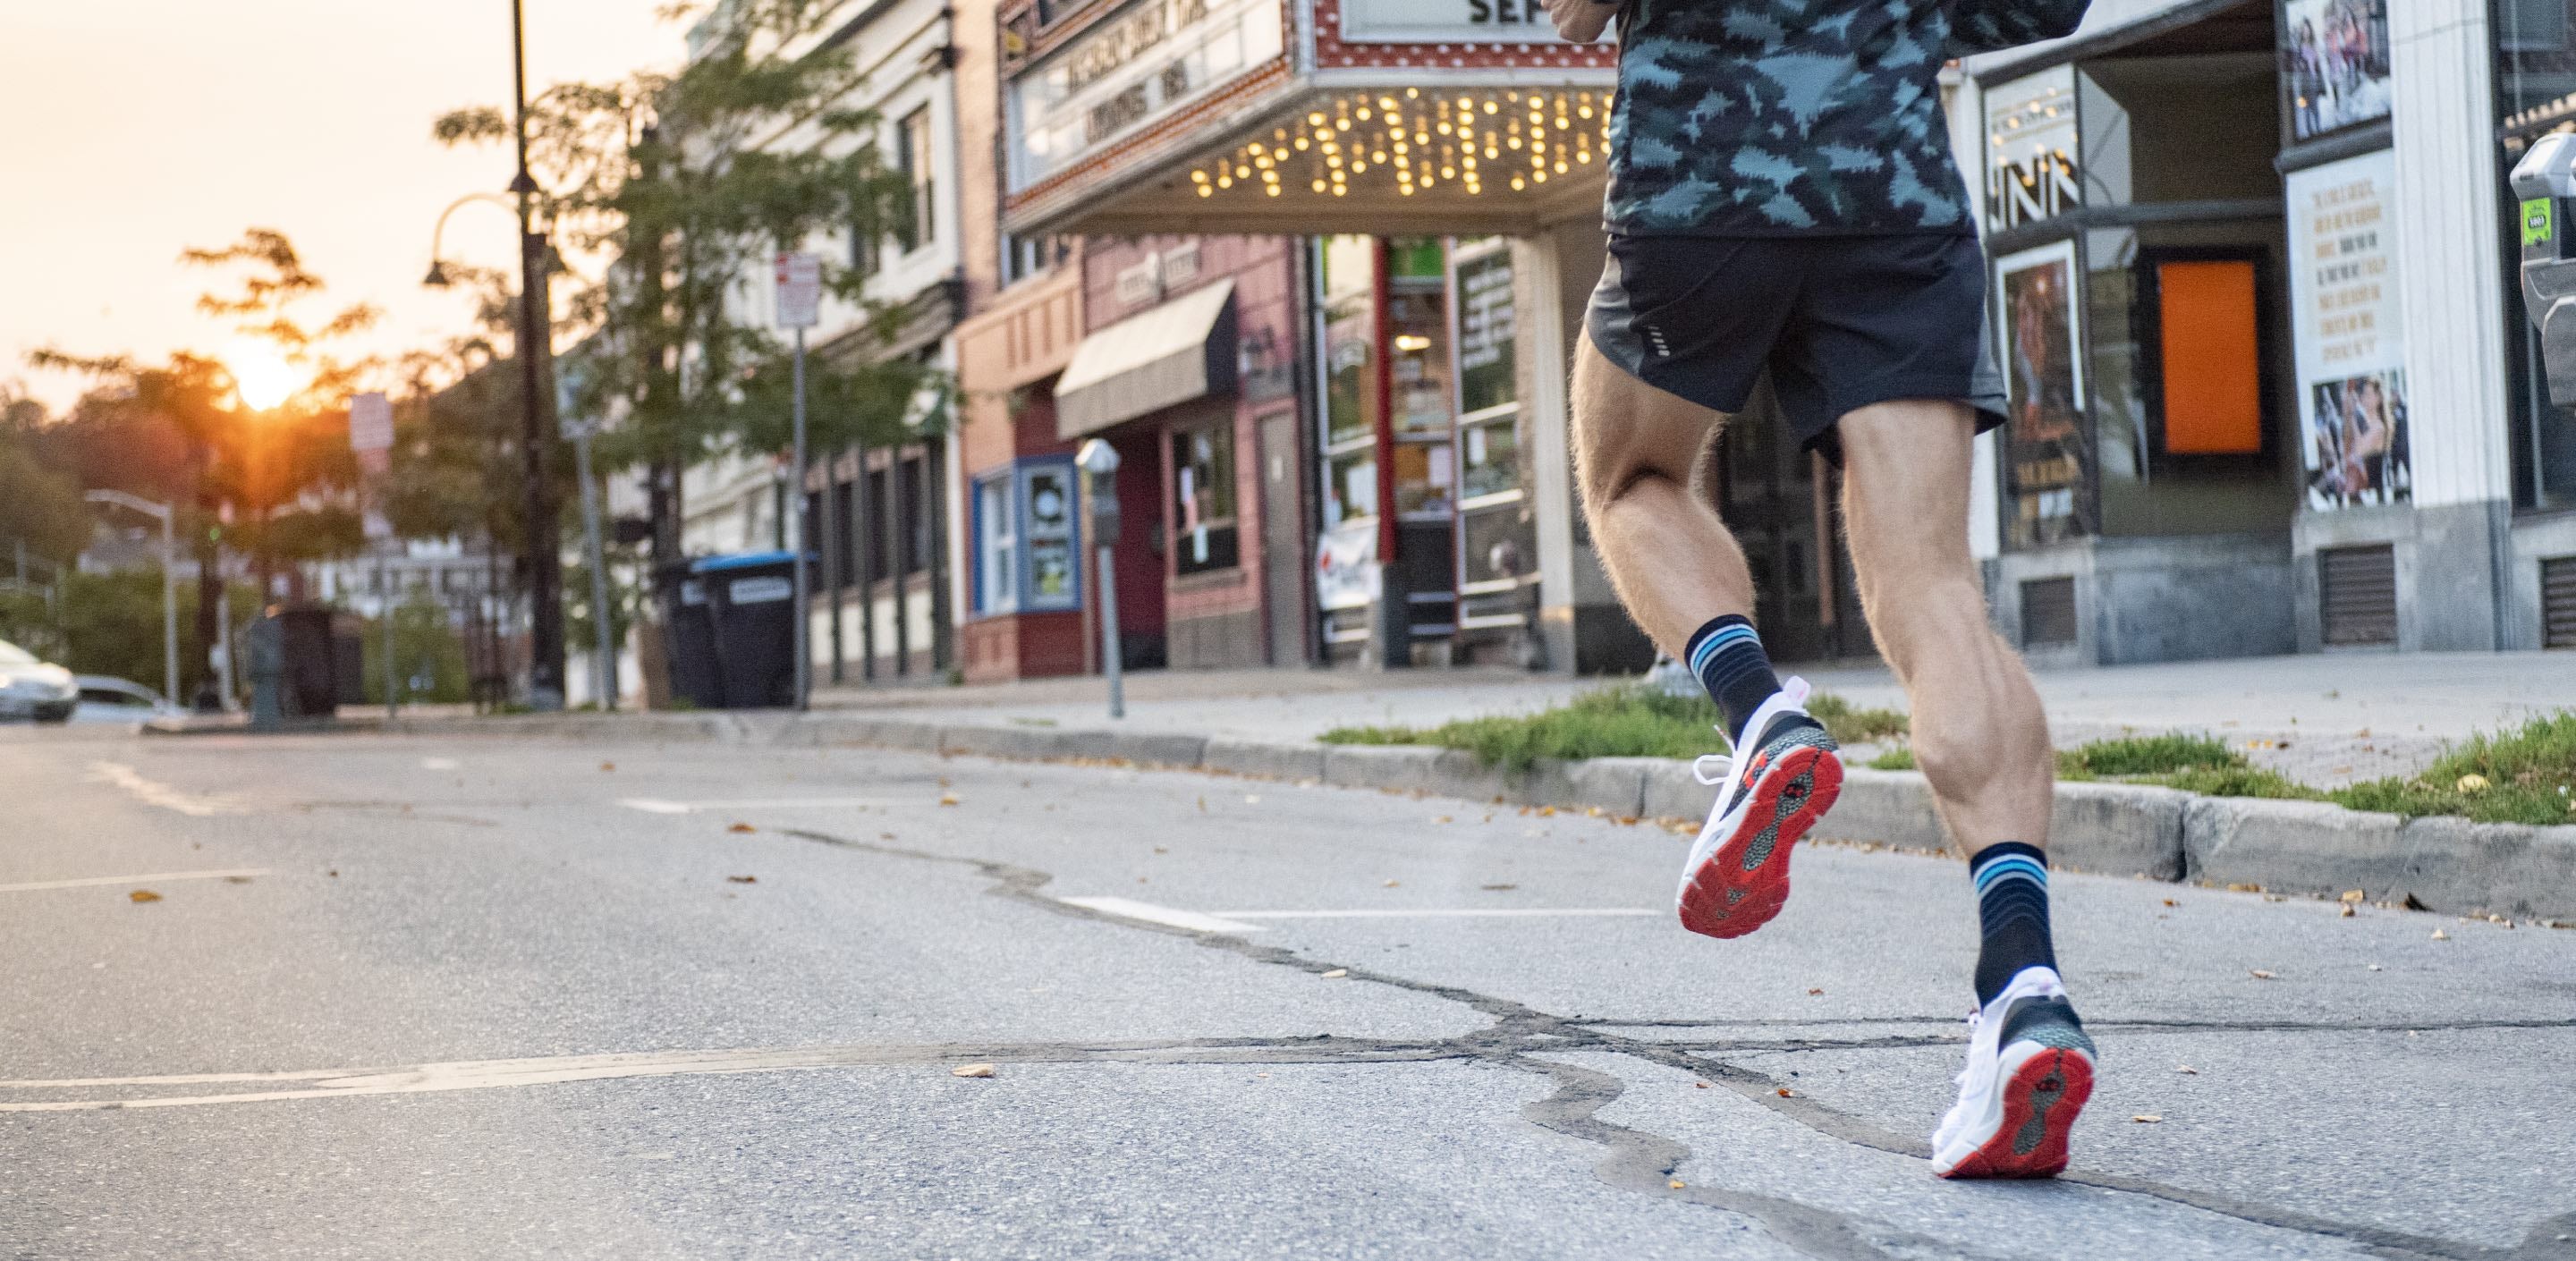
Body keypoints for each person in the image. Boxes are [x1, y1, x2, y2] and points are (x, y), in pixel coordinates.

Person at [1544, 0, 2096, 1179]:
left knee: (1631, 473)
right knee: (1934, 587)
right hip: (1890, 190)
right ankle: (2024, 987)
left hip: (1703, 175)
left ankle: (1759, 713)